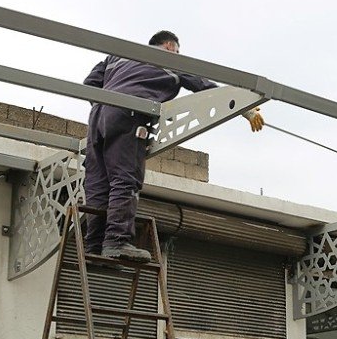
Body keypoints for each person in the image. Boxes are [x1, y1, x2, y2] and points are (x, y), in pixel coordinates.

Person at [83, 31, 263, 262]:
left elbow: (90, 84)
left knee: (98, 185)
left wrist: (108, 107)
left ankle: (92, 247)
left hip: (97, 120)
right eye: (177, 52)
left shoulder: (116, 57)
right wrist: (245, 110)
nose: (177, 55)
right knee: (125, 179)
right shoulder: (169, 60)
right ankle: (116, 242)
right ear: (169, 47)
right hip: (129, 113)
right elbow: (204, 85)